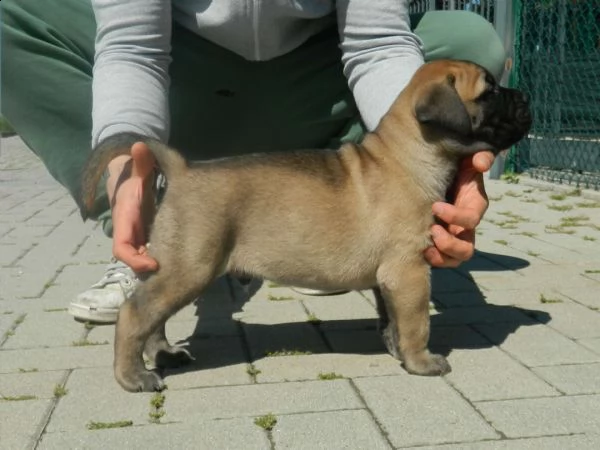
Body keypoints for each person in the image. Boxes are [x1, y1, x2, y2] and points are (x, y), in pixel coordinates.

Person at [2, 1, 506, 324]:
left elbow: (377, 44)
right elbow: (135, 47)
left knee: (469, 44)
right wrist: (123, 158)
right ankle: (155, 239)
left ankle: (331, 233)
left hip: (314, 80)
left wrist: (434, 172)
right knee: (11, 19)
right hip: (191, 80)